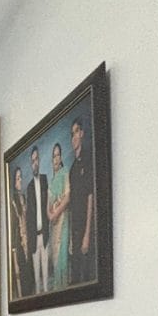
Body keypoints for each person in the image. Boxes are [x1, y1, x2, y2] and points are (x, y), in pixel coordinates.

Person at [68, 117, 95, 284]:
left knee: (86, 276)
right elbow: (72, 204)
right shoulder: (72, 169)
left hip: (86, 228)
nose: (74, 137)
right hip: (75, 230)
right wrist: (72, 237)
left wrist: (87, 234)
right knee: (75, 277)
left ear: (82, 133)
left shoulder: (88, 160)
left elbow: (90, 197)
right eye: (72, 134)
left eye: (76, 132)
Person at [25, 146, 51, 294]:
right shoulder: (29, 187)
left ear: (39, 161)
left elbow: (48, 204)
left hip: (44, 233)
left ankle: (47, 293)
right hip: (34, 237)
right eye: (32, 161)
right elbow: (29, 217)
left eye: (36, 159)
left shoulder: (45, 180)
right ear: (31, 164)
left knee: (46, 272)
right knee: (37, 276)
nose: (35, 163)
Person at [47, 142, 71, 290]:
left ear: (61, 157)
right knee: (55, 258)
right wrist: (51, 215)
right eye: (54, 156)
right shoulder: (51, 181)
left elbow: (67, 197)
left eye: (58, 155)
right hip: (53, 225)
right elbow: (48, 206)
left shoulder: (65, 172)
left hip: (63, 221)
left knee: (62, 257)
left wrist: (55, 213)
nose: (56, 159)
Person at [9, 167, 34, 298]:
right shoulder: (12, 201)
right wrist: (14, 246)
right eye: (17, 178)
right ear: (13, 182)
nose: (20, 181)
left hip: (28, 238)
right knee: (22, 270)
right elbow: (14, 224)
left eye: (21, 178)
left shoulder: (24, 198)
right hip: (19, 240)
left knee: (30, 268)